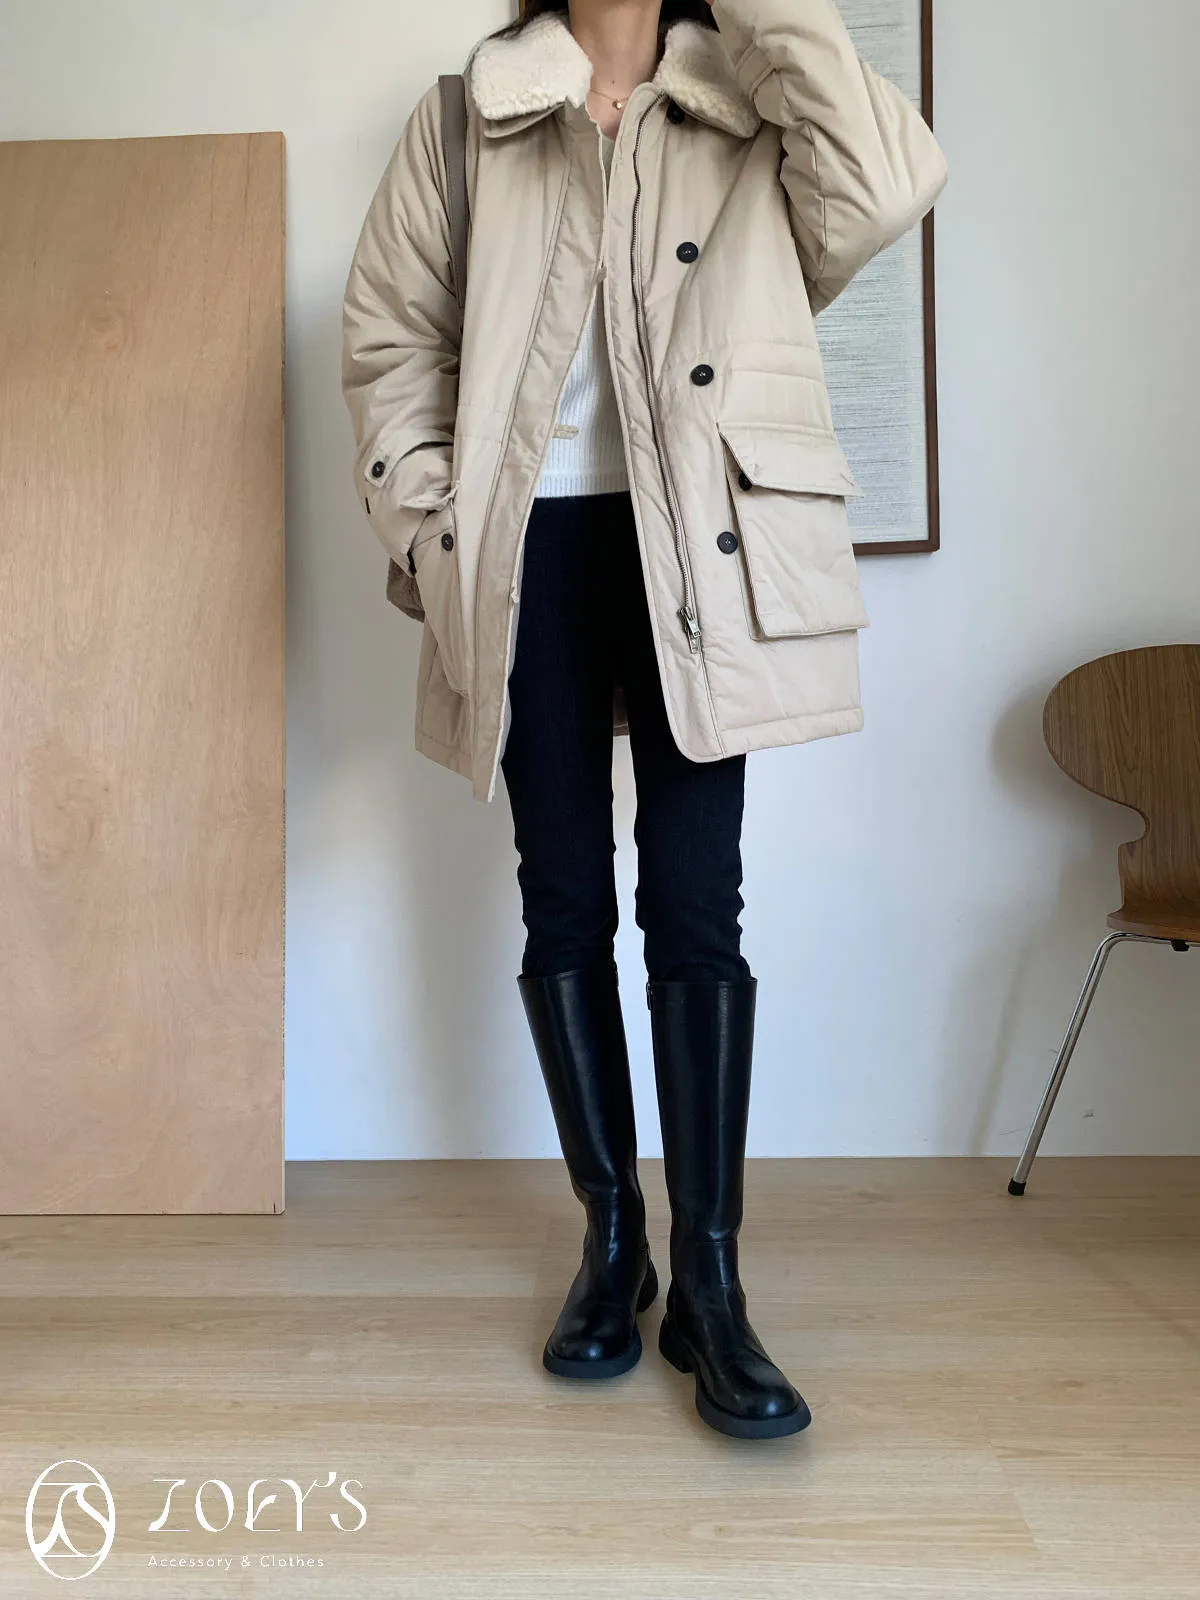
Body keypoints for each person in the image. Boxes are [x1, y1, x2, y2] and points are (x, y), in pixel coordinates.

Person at [341, 0, 946, 1441]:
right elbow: (389, 339)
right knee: (560, 895)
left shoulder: (749, 103)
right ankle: (613, 1245)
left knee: (694, 901)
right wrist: (435, 533)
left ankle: (712, 1286)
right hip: (531, 547)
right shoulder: (469, 116)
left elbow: (884, 185)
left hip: (698, 545)